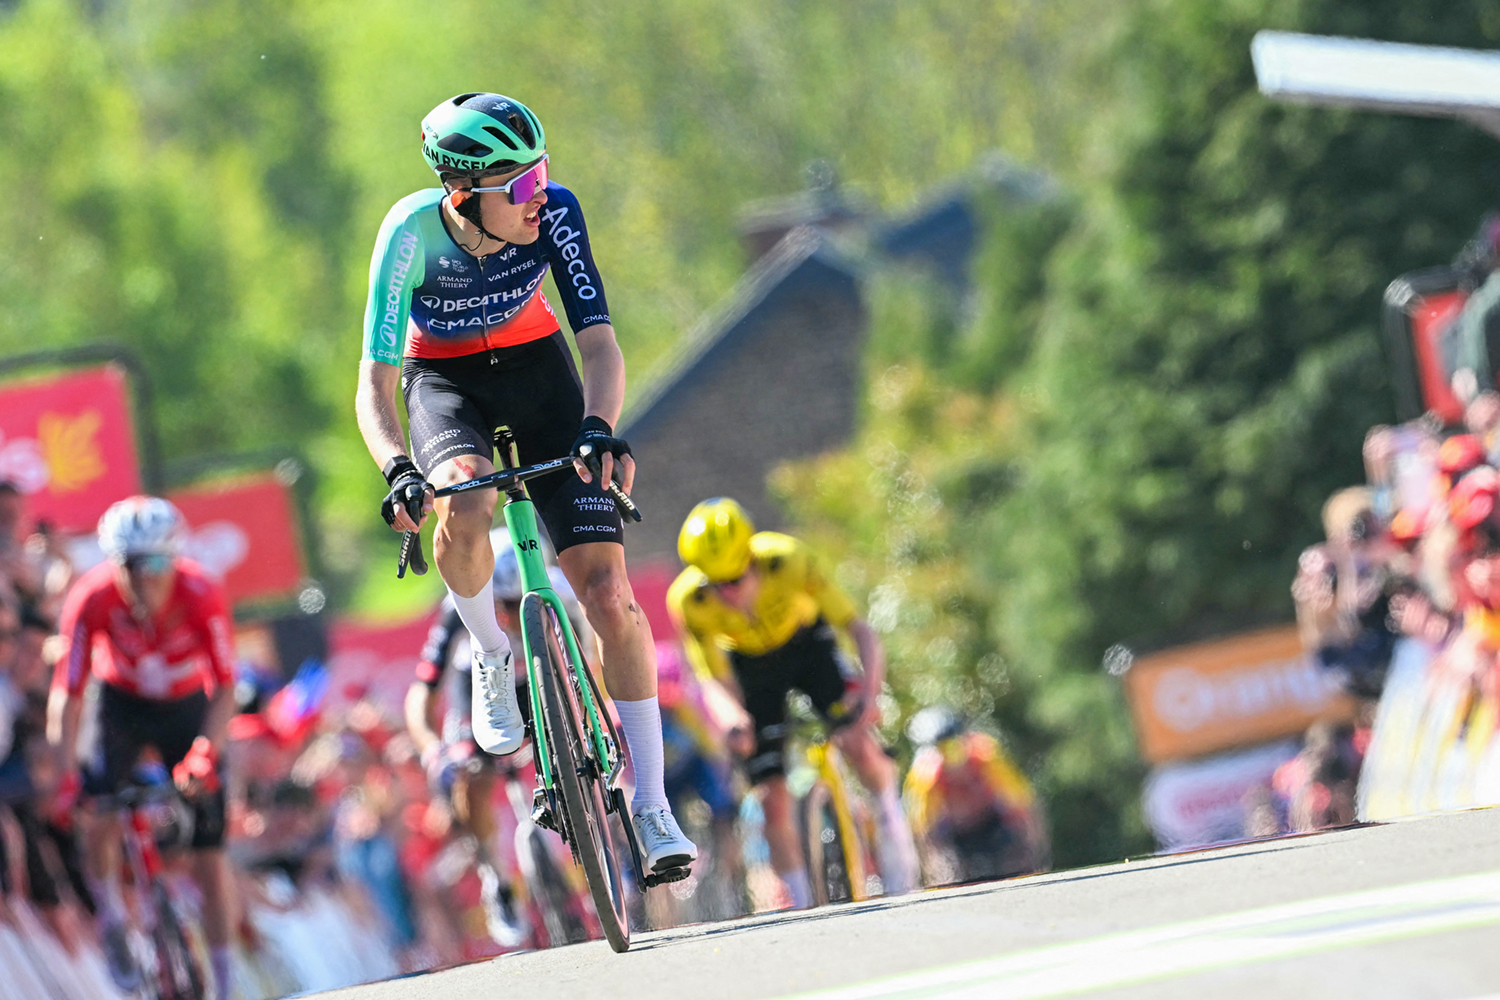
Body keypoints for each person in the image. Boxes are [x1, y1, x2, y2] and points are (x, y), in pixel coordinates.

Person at [354, 92, 694, 874]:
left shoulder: (556, 214)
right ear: (462, 195)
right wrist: (397, 468)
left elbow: (600, 345)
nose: (538, 194)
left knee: (610, 595)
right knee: (464, 498)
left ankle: (652, 807)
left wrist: (596, 427)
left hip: (539, 371)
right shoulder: (409, 235)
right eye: (518, 184)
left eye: (541, 173)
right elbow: (374, 382)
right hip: (444, 381)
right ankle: (490, 651)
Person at [667, 497, 918, 908]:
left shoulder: (788, 560)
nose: (726, 594)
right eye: (715, 584)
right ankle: (802, 903)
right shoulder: (689, 602)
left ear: (753, 559)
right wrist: (734, 720)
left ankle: (891, 819)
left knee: (856, 741)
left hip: (808, 648)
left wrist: (869, 698)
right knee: (770, 798)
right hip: (750, 668)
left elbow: (859, 630)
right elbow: (711, 677)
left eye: (734, 580)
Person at [46, 496, 237, 996]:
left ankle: (225, 982)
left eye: (156, 563)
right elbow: (66, 695)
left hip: (185, 708)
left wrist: (203, 753)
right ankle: (111, 915)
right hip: (120, 706)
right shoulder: (92, 599)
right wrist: (65, 775)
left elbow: (225, 689)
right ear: (115, 565)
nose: (145, 578)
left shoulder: (200, 592)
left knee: (210, 855)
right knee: (98, 805)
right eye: (132, 566)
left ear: (174, 558)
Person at [404, 527, 588, 947]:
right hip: (479, 689)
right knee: (469, 772)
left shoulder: (560, 596)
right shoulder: (457, 609)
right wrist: (434, 750)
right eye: (499, 604)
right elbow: (420, 697)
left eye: (516, 604)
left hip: (539, 685)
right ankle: (497, 880)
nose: (509, 616)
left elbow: (588, 668)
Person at [902, 706, 1048, 884]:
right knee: (949, 875)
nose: (951, 758)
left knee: (1019, 862)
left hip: (993, 823)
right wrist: (933, 875)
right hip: (956, 834)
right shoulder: (925, 776)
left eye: (954, 747)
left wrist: (1037, 851)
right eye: (942, 750)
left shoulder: (986, 755)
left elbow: (1023, 804)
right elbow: (924, 834)